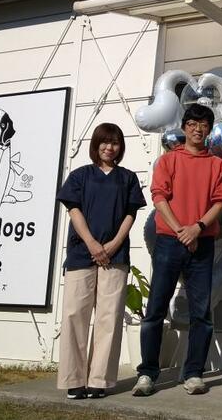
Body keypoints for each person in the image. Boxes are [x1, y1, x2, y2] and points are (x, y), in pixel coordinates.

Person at [133, 104, 222, 397]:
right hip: (169, 241)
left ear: (209, 129)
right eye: (192, 123)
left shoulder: (217, 164)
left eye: (203, 124)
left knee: (201, 313)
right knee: (155, 310)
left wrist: (197, 228)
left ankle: (193, 373)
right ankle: (148, 373)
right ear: (185, 126)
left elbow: (220, 201)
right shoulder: (169, 160)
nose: (197, 129)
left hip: (202, 242)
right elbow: (159, 197)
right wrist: (181, 229)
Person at [56, 122, 147, 400]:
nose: (109, 147)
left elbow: (130, 213)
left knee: (109, 318)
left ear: (120, 146)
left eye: (115, 142)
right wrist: (93, 244)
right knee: (75, 315)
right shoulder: (80, 176)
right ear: (96, 145)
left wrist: (113, 244)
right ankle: (74, 380)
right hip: (82, 253)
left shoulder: (128, 178)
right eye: (104, 142)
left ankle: (99, 380)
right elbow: (74, 210)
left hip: (115, 255)